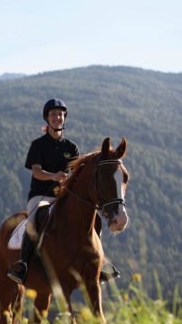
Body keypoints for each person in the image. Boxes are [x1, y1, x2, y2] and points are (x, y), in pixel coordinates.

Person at [7, 98, 120, 284]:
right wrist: (53, 176)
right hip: (41, 196)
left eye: (60, 114)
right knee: (33, 219)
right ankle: (23, 264)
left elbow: (76, 174)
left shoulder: (72, 147)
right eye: (53, 114)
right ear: (47, 118)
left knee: (95, 219)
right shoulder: (38, 145)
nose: (57, 117)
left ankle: (100, 263)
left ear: (64, 118)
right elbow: (36, 171)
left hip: (64, 196)